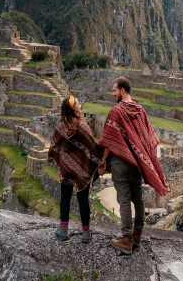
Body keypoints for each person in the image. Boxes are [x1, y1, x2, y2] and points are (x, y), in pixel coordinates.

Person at [98, 77, 170, 255]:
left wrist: (102, 161)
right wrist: (143, 158)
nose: (113, 94)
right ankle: (137, 236)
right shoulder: (140, 111)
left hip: (120, 163)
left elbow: (108, 140)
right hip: (137, 164)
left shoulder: (116, 112)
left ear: (122, 91)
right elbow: (148, 139)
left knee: (123, 200)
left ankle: (126, 240)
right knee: (137, 199)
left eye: (114, 91)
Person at [47, 95, 103, 243]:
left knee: (65, 197)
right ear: (73, 108)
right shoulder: (82, 126)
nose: (80, 104)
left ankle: (63, 231)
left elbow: (54, 146)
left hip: (66, 169)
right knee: (82, 199)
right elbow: (92, 148)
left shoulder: (60, 126)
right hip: (81, 170)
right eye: (78, 103)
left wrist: (63, 159)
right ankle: (85, 234)